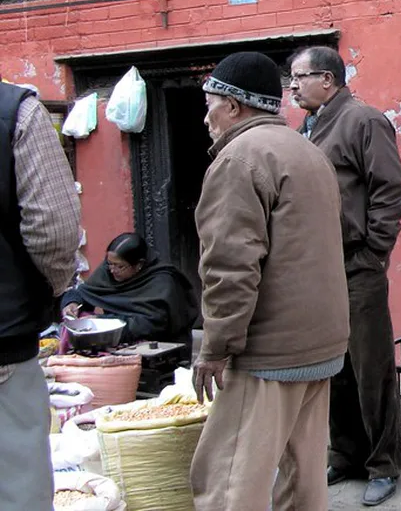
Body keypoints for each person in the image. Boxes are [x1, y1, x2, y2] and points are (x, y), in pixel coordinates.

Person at [190, 51, 350, 511]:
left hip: (269, 351)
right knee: (303, 482)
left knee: (228, 482)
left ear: (233, 105)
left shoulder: (239, 159)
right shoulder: (307, 151)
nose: (206, 117)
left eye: (210, 105)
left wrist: (216, 346)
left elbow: (230, 267)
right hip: (321, 343)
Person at [289, 46, 401, 506]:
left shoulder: (364, 121)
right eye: (290, 78)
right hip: (319, 266)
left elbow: (389, 190)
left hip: (358, 262)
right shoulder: (308, 127)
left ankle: (384, 464)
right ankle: (345, 454)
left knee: (370, 366)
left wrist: (375, 252)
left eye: (300, 77)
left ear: (328, 79)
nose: (293, 86)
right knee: (332, 365)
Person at [0, 81, 81, 507]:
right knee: (17, 491)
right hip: (5, 346)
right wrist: (51, 291)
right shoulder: (16, 111)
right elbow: (54, 232)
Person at [61, 232, 198, 345]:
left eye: (120, 266)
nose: (112, 270)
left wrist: (104, 321)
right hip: (115, 341)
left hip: (158, 346)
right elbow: (84, 292)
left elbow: (152, 324)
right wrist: (72, 303)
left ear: (139, 265)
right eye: (110, 264)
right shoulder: (108, 271)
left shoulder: (163, 281)